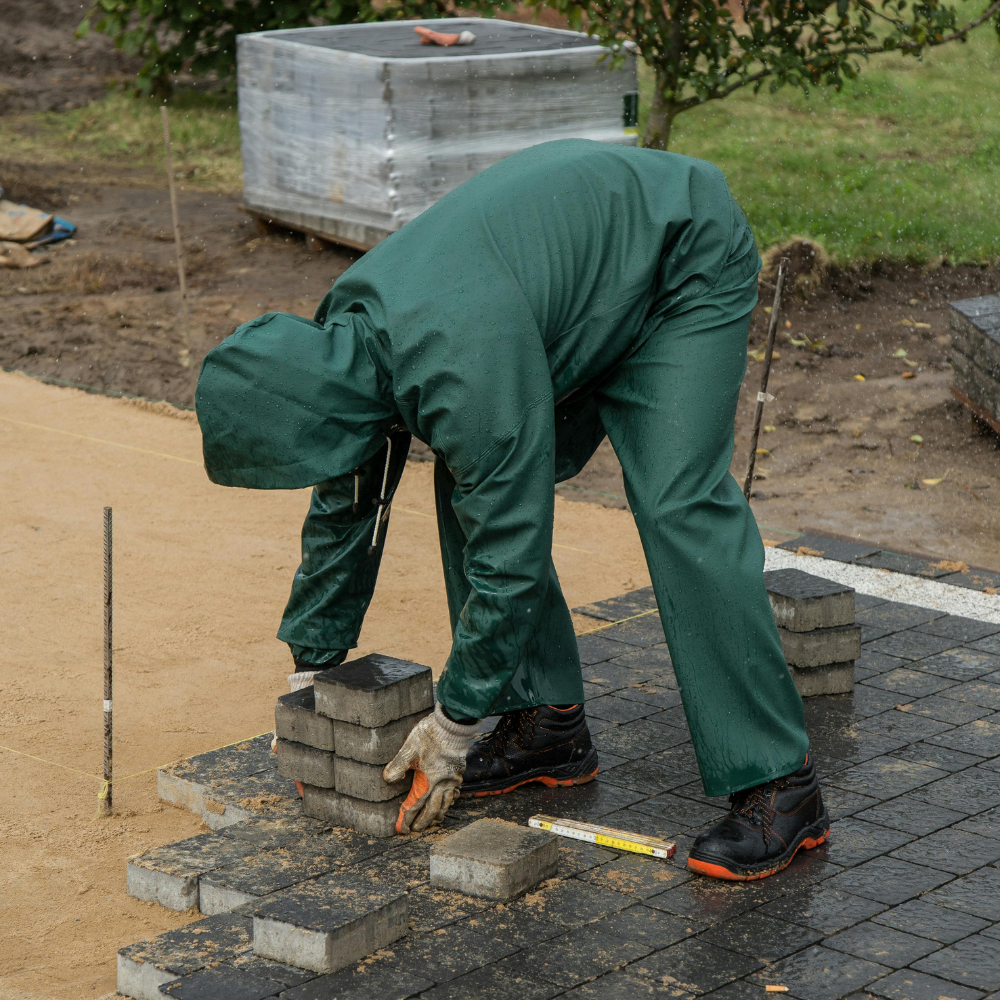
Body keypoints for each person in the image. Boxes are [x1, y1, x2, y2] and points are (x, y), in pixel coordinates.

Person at [196, 138, 828, 880]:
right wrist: (313, 676)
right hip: (562, 297)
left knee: (677, 505)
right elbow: (350, 502)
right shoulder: (340, 347)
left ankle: (781, 783)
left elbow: (512, 554)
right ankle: (547, 723)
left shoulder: (457, 365)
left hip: (676, 257)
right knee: (470, 479)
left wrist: (453, 723)